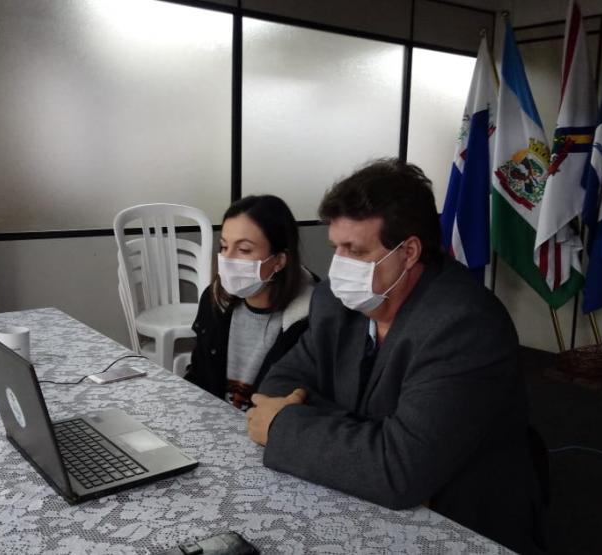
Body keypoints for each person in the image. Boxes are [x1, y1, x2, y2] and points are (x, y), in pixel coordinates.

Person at [245, 159, 545, 554]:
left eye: (355, 251)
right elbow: (277, 387)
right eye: (336, 248)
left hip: (460, 521)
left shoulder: (464, 325)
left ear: (409, 252)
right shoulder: (334, 302)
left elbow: (398, 470)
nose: (338, 268)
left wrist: (285, 427)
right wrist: (372, 444)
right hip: (363, 499)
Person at [184, 195, 317, 410]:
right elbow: (200, 377)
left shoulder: (310, 318)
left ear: (279, 260)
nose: (228, 259)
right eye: (224, 247)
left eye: (244, 250)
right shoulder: (215, 300)